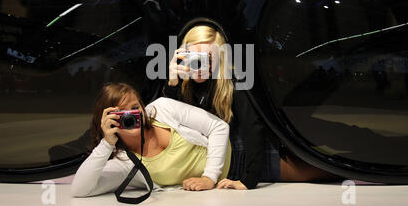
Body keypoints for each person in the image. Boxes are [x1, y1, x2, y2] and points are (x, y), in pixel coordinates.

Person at [163, 20, 341, 190]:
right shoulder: (181, 85)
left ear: (221, 55)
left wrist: (249, 179)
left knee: (327, 168)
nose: (200, 64)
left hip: (255, 152)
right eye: (193, 56)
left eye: (207, 56)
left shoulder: (234, 82)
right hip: (221, 161)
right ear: (183, 55)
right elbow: (168, 124)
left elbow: (252, 127)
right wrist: (171, 84)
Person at [71, 82, 232, 196]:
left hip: (238, 164)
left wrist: (209, 177)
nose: (131, 116)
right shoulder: (125, 163)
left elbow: (219, 127)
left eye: (135, 108)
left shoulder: (162, 109)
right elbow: (80, 190)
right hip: (222, 191)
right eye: (121, 113)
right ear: (107, 120)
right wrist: (106, 143)